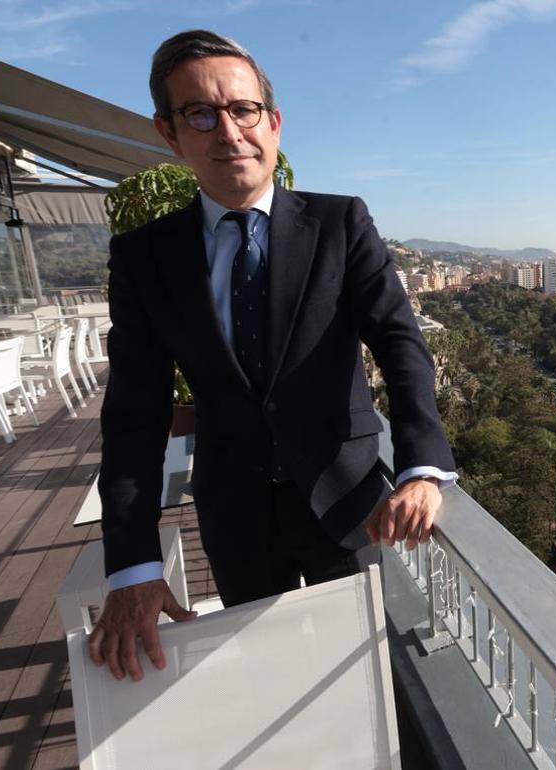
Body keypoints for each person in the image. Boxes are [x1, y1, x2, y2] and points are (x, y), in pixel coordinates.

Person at [87, 30, 456, 682]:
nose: (228, 131)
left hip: (352, 507)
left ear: (273, 122)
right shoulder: (145, 256)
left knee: (371, 670)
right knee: (271, 677)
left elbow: (401, 343)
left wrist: (423, 466)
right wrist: (134, 565)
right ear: (170, 135)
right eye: (200, 113)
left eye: (243, 109)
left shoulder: (340, 224)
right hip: (235, 516)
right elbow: (134, 413)